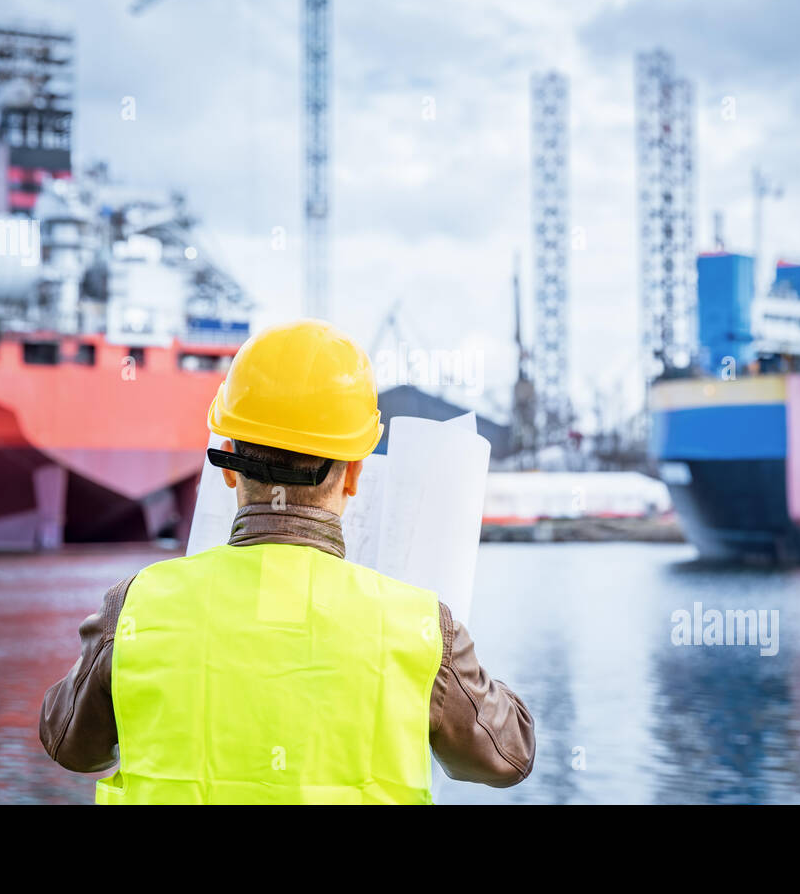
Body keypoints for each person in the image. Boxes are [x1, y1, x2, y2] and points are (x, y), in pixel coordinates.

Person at [39, 319, 535, 803]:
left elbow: (69, 745)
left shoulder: (134, 609)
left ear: (229, 464)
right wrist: (445, 658)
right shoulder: (423, 629)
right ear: (355, 475)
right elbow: (509, 756)